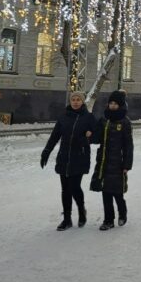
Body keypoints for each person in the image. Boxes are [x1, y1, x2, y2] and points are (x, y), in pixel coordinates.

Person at [40, 91, 97, 231]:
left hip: (80, 157)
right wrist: (46, 151)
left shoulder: (88, 117)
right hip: (64, 157)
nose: (75, 102)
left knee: (74, 187)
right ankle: (67, 219)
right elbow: (54, 136)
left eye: (78, 99)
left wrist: (88, 138)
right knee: (65, 189)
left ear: (82, 102)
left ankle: (81, 210)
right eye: (73, 99)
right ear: (70, 101)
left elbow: (97, 136)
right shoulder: (64, 117)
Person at [91, 90, 133, 230]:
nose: (113, 105)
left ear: (120, 105)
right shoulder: (104, 120)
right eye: (111, 103)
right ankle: (108, 220)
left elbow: (128, 145)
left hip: (118, 163)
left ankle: (122, 213)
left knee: (117, 193)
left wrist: (127, 164)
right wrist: (90, 134)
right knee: (105, 192)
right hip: (103, 161)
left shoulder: (125, 122)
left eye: (115, 103)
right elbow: (96, 138)